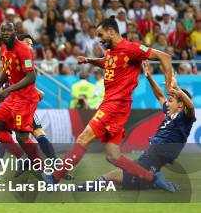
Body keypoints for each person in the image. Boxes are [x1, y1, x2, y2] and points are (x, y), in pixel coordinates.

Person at [47, 18, 176, 192]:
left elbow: (164, 56)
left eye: (101, 35)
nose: (99, 39)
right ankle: (153, 178)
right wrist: (89, 60)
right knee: (113, 157)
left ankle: (54, 178)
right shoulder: (110, 52)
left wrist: (168, 87)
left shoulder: (131, 49)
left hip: (114, 105)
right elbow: (107, 62)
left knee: (83, 138)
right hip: (116, 107)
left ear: (112, 32)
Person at [79, 63, 194, 191]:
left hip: (157, 154)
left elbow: (190, 106)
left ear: (180, 105)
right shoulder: (169, 111)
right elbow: (160, 95)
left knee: (112, 175)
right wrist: (149, 77)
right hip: (152, 156)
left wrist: (176, 88)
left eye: (172, 99)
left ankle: (155, 180)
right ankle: (153, 181)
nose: (169, 99)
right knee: (118, 183)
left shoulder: (185, 117)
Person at [0, 22, 44, 175]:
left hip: (26, 98)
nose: (6, 33)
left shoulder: (24, 50)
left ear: (14, 32)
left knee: (21, 136)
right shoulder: (3, 48)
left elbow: (31, 77)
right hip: (13, 97)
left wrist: (7, 91)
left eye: (9, 30)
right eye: (3, 30)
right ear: (0, 34)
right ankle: (23, 157)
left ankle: (44, 171)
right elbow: (7, 71)